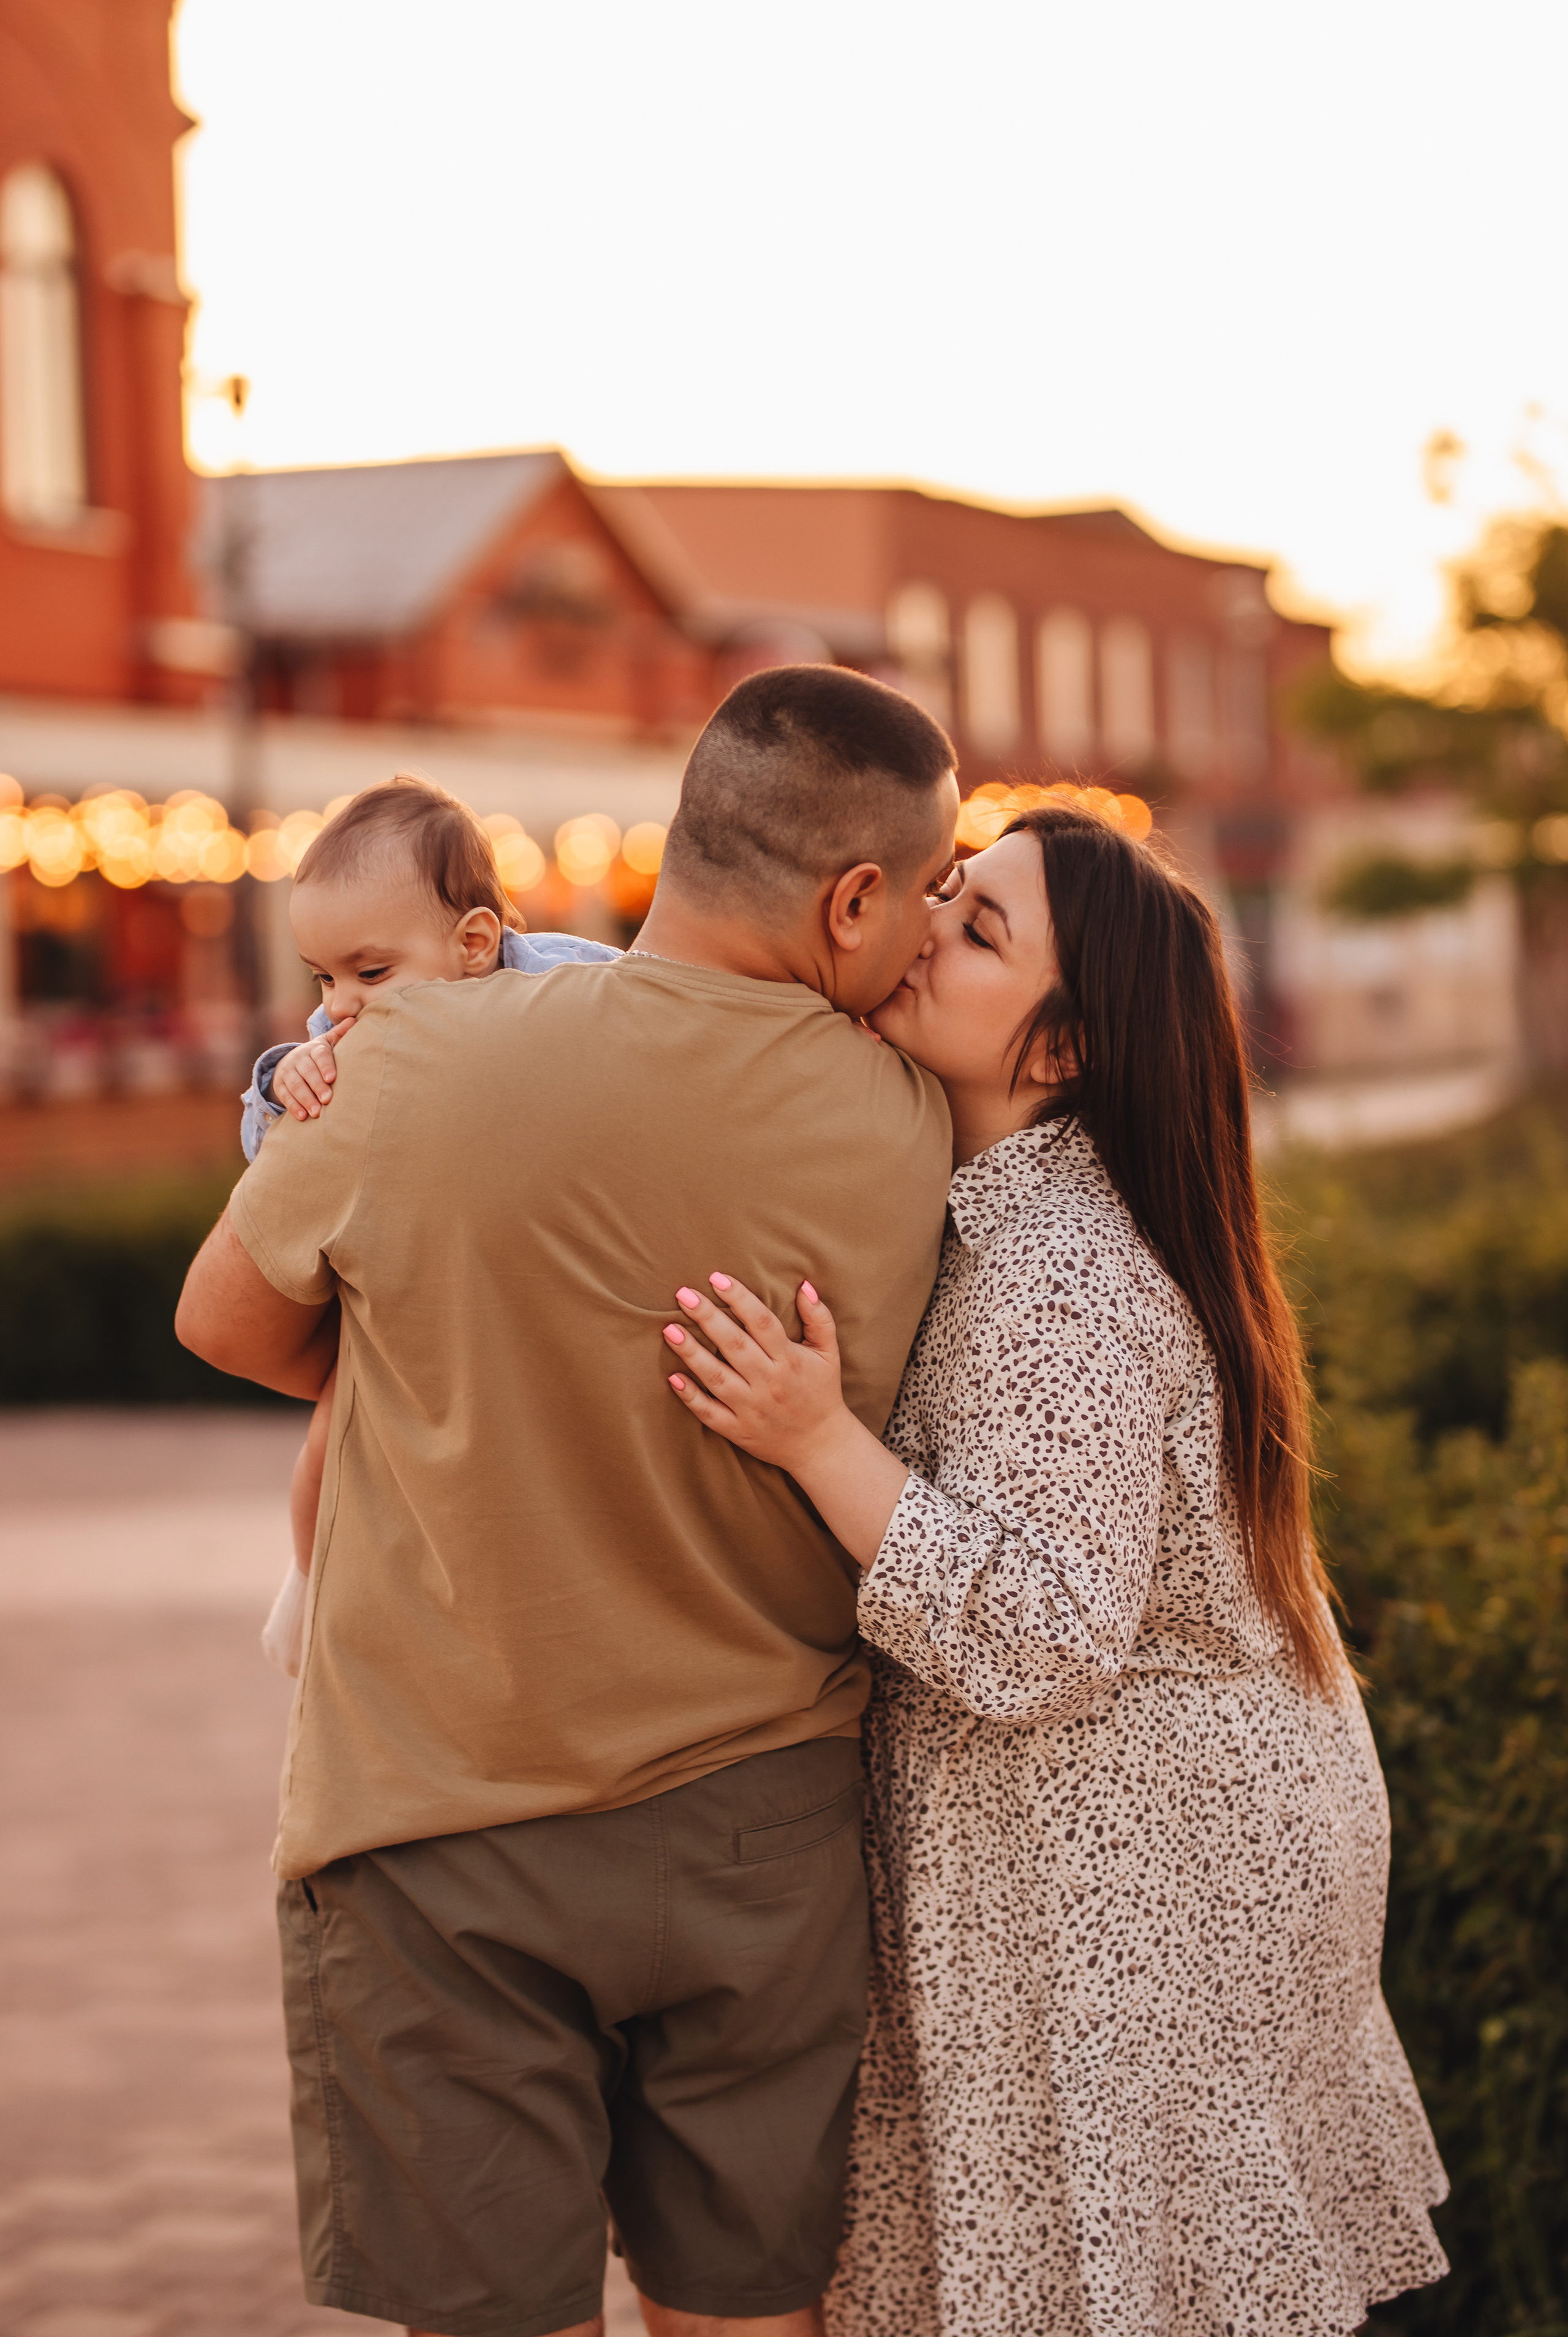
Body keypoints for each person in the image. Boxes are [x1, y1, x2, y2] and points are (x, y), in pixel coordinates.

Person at [174, 664, 961, 2337]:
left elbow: (223, 1322)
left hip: (439, 1818)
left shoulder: (416, 1054)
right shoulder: (911, 1120)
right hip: (762, 1823)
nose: (925, 944)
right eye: (927, 904)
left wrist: (452, 1362)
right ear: (854, 898)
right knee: (747, 2317)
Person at [656, 804, 1450, 2336]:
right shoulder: (1022, 1219)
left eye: (980, 929)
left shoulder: (1058, 1274)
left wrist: (817, 1441)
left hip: (1142, 1885)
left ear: (1061, 1050)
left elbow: (1039, 1628)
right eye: (948, 892)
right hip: (1148, 1857)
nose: (928, 924)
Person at [236, 775, 618, 1677]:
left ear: (477, 945)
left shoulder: (559, 980)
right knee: (330, 1446)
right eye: (323, 976)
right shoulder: (345, 1037)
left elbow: (671, 1008)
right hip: (399, 1280)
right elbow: (269, 1159)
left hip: (521, 1277)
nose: (340, 1002)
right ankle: (307, 1579)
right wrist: (282, 1084)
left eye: (370, 973)